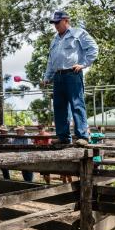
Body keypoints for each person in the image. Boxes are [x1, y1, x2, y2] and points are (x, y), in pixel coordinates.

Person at [42, 11, 98, 146]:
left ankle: (83, 136)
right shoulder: (55, 40)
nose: (55, 25)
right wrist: (47, 77)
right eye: (54, 23)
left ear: (66, 21)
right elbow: (51, 60)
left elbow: (93, 48)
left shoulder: (79, 33)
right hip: (58, 76)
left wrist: (83, 64)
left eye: (58, 22)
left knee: (77, 104)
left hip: (73, 73)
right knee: (59, 106)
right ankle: (63, 137)